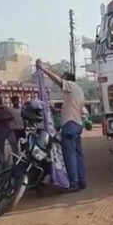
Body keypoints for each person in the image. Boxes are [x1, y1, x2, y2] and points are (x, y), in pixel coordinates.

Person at [36, 59, 86, 191]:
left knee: (69, 155)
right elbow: (76, 109)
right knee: (77, 154)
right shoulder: (78, 91)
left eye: (64, 78)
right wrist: (56, 110)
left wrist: (43, 69)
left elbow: (57, 80)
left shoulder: (70, 85)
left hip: (70, 125)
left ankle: (74, 183)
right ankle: (82, 181)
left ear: (68, 79)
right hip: (77, 124)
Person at [0, 92, 18, 170]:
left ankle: (16, 162)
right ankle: (3, 164)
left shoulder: (5, 107)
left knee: (14, 146)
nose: (1, 98)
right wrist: (5, 116)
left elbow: (11, 116)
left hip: (8, 129)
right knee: (1, 148)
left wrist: (3, 116)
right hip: (1, 131)